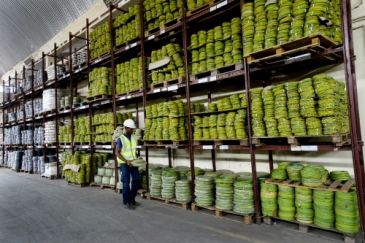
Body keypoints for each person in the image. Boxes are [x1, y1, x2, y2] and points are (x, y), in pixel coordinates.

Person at [115, 119, 140, 210]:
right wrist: (126, 161)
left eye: (132, 129)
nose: (132, 130)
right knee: (126, 183)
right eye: (130, 129)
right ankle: (127, 202)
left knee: (136, 180)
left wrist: (138, 158)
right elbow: (117, 153)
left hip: (133, 162)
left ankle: (132, 198)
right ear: (126, 128)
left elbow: (134, 150)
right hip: (124, 163)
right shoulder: (120, 139)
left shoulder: (133, 137)